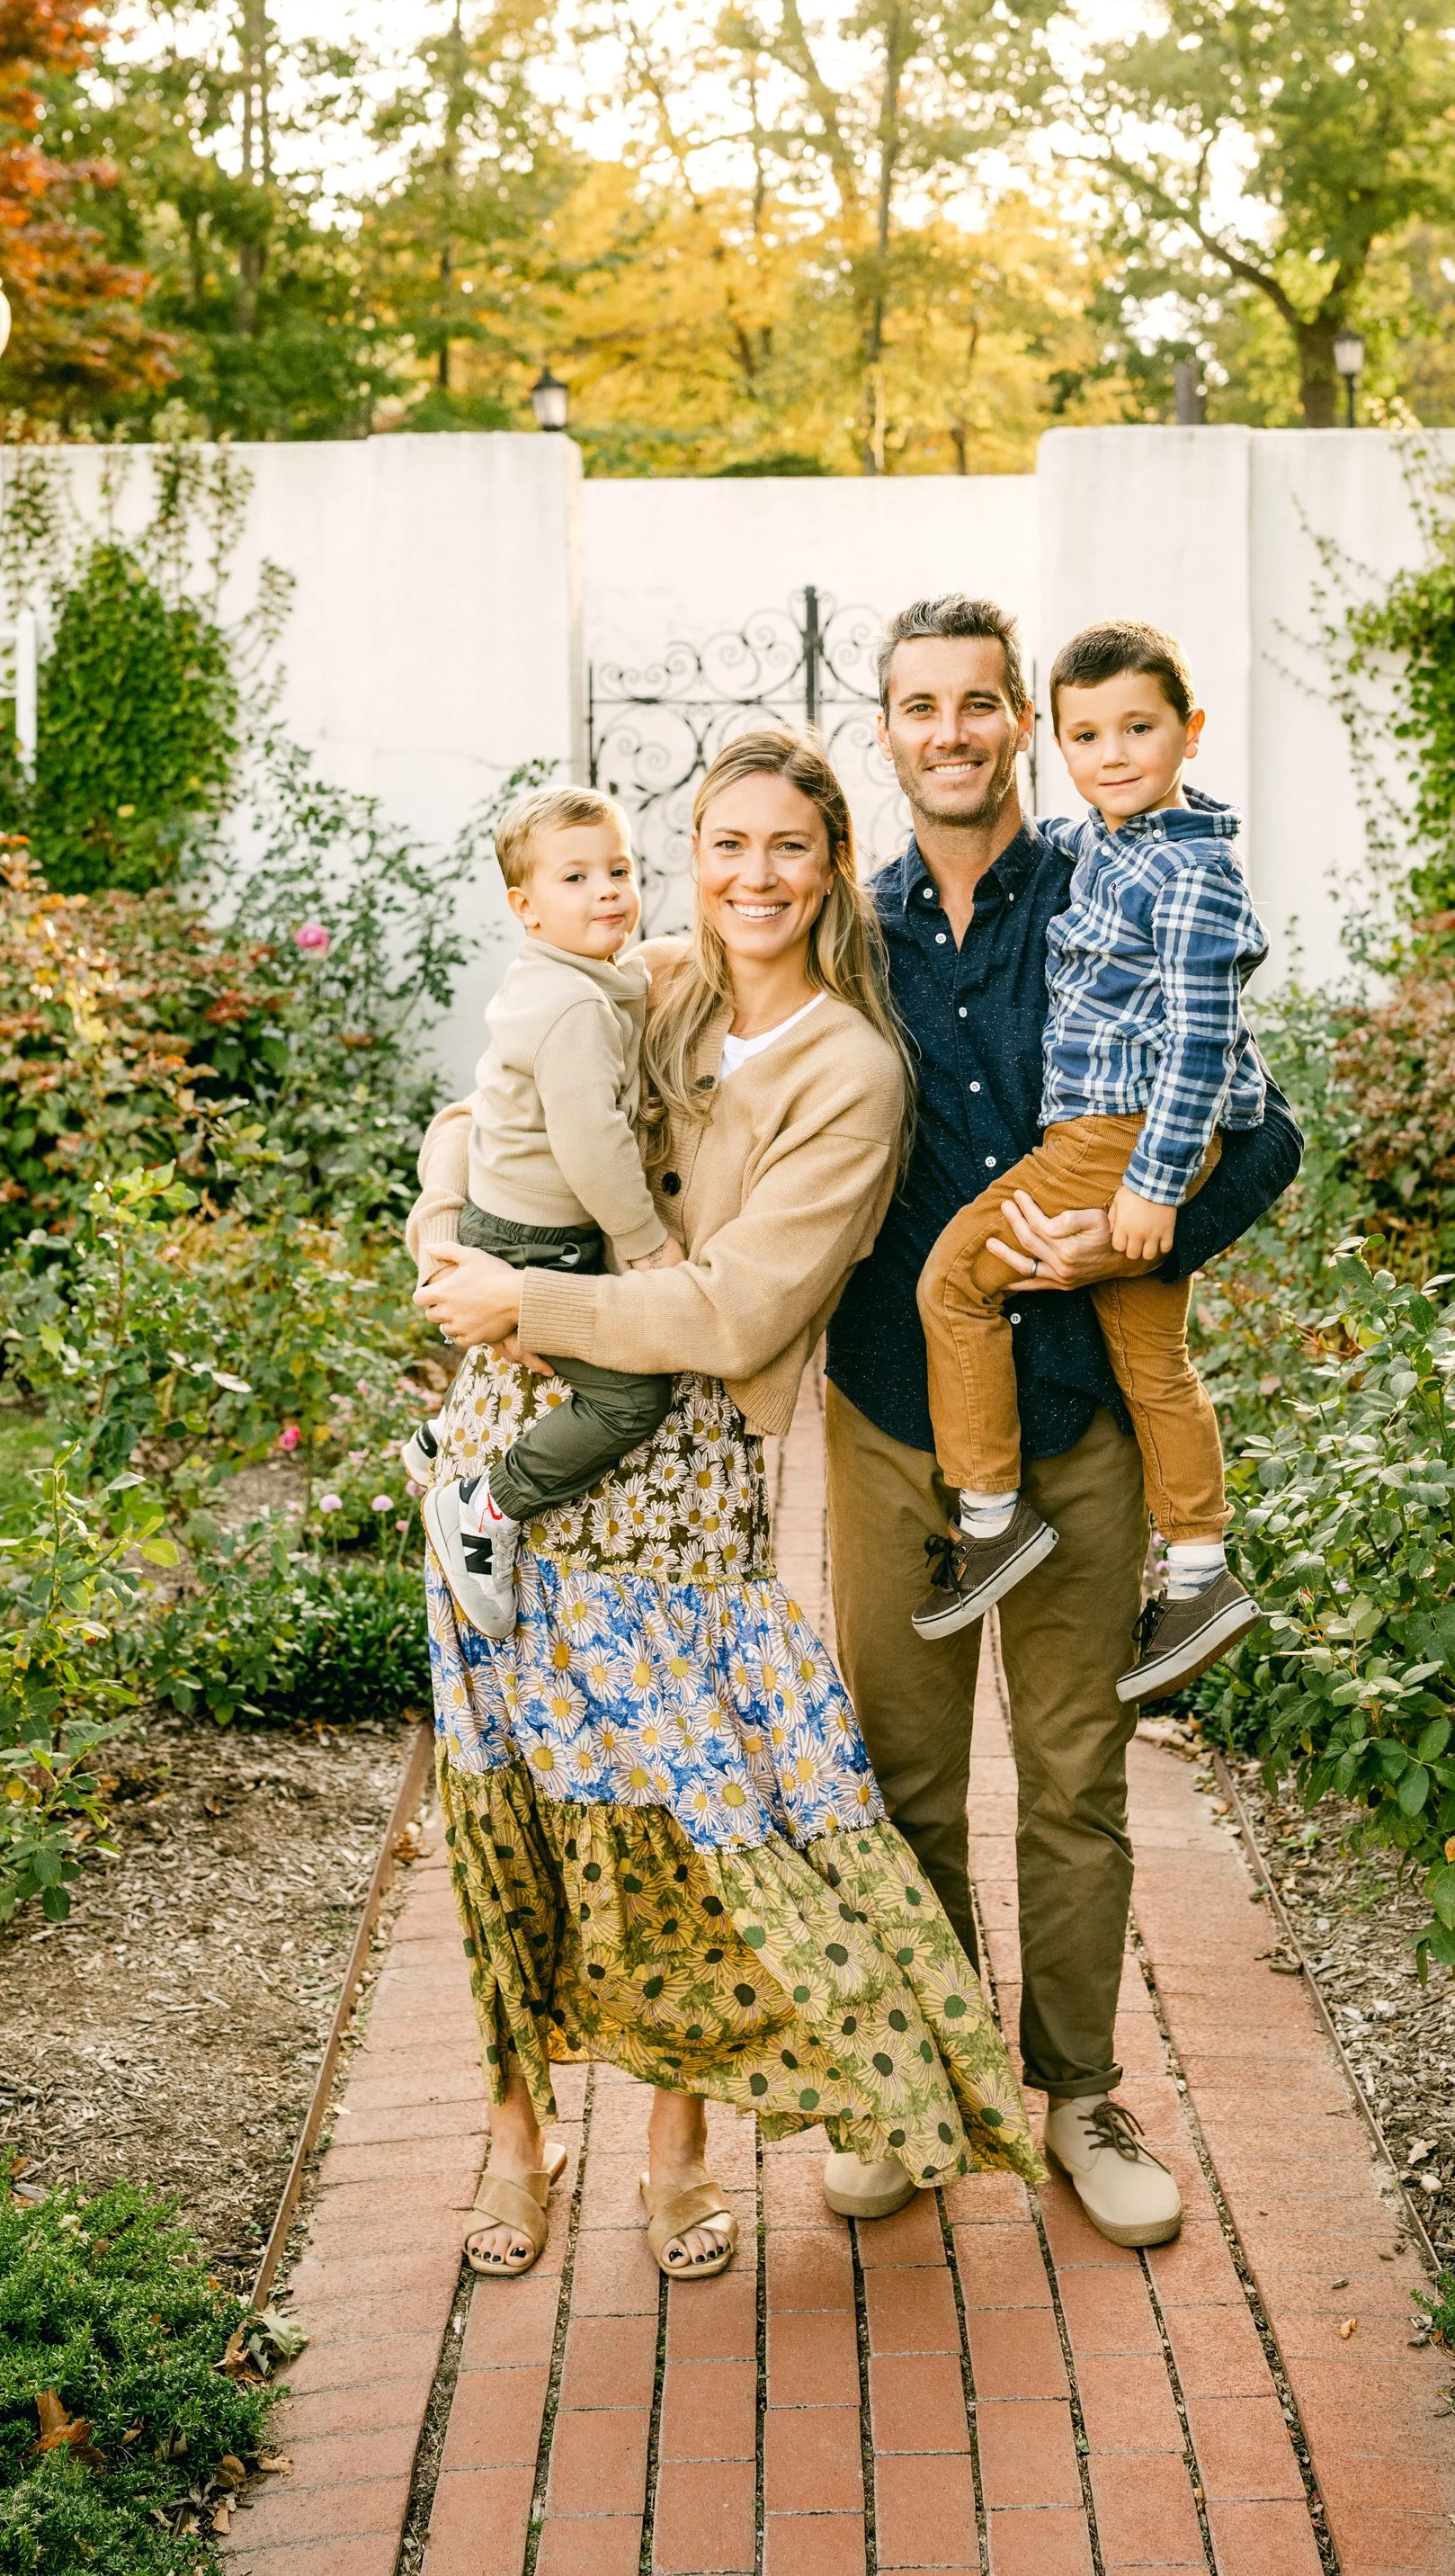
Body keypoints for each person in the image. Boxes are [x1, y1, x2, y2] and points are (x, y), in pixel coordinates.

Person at [410, 730, 1044, 2286]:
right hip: (511, 1421)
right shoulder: (650, 977)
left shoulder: (855, 1069)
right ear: (694, 861)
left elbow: (747, 1312)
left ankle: (678, 2144)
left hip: (680, 1478)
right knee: (509, 1799)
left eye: (788, 847)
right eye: (725, 845)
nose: (753, 875)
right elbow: (485, 1106)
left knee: (688, 1819)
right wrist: (445, 1241)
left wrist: (534, 1300)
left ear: (834, 865)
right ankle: (514, 2128)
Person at [822, 595, 1300, 2251]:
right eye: (914, 706)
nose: (947, 732)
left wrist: (1133, 1228)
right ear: (880, 730)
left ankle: (1079, 2098)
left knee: (1076, 1780)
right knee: (902, 1779)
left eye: (975, 704)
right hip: (894, 1416)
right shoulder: (846, 925)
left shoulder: (1111, 878)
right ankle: (923, 2089)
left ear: (1019, 716)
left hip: (1079, 1411)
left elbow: (1265, 1134)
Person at [908, 618, 1265, 1708]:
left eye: (1138, 729)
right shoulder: (1104, 843)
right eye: (1087, 735)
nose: (1111, 754)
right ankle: (1199, 1569)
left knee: (952, 1283)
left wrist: (1155, 1188)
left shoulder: (1191, 874)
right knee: (1154, 1362)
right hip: (1122, 1136)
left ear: (1190, 731)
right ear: (1052, 739)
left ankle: (988, 1514)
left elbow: (1205, 1040)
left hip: (1115, 1136)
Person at [415, 784, 686, 1641]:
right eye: (576, 878)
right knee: (629, 1399)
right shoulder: (574, 1007)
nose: (608, 890)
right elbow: (592, 1144)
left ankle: (441, 1435)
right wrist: (644, 1244)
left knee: (545, 1352)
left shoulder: (568, 978)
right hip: (541, 1240)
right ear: (525, 908)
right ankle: (485, 1508)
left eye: (619, 868)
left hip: (513, 1221)